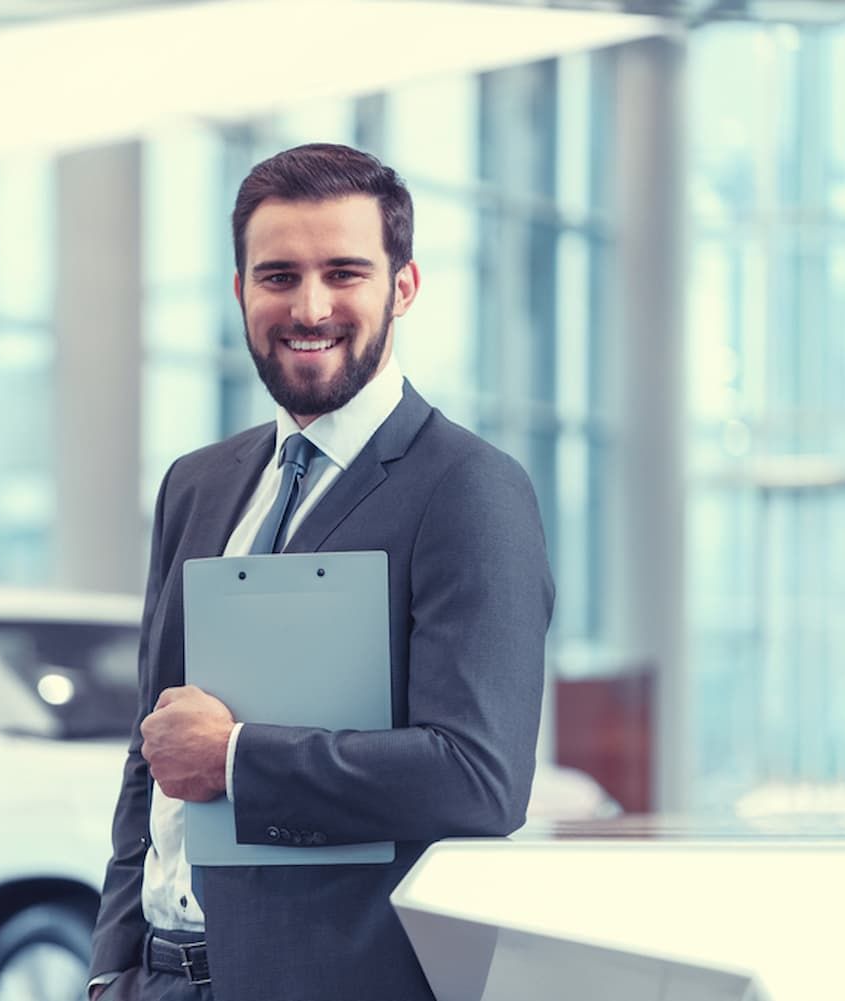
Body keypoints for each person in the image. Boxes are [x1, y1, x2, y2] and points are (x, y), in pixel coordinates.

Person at [88, 142, 554, 1001]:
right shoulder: (198, 484)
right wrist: (111, 966)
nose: (309, 307)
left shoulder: (467, 489)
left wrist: (235, 758)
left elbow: (477, 776)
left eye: (344, 273)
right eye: (278, 276)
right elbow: (152, 751)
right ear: (240, 291)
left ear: (402, 287)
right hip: (156, 977)